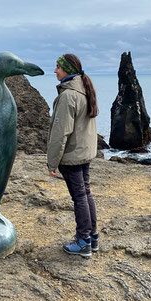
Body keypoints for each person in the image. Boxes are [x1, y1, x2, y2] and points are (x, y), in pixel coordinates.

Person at [47, 54, 99, 258]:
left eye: (58, 67)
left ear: (67, 70)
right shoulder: (84, 89)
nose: (55, 71)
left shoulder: (69, 95)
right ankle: (92, 238)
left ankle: (83, 241)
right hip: (84, 153)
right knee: (85, 194)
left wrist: (52, 162)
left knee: (79, 197)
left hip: (73, 155)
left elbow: (61, 133)